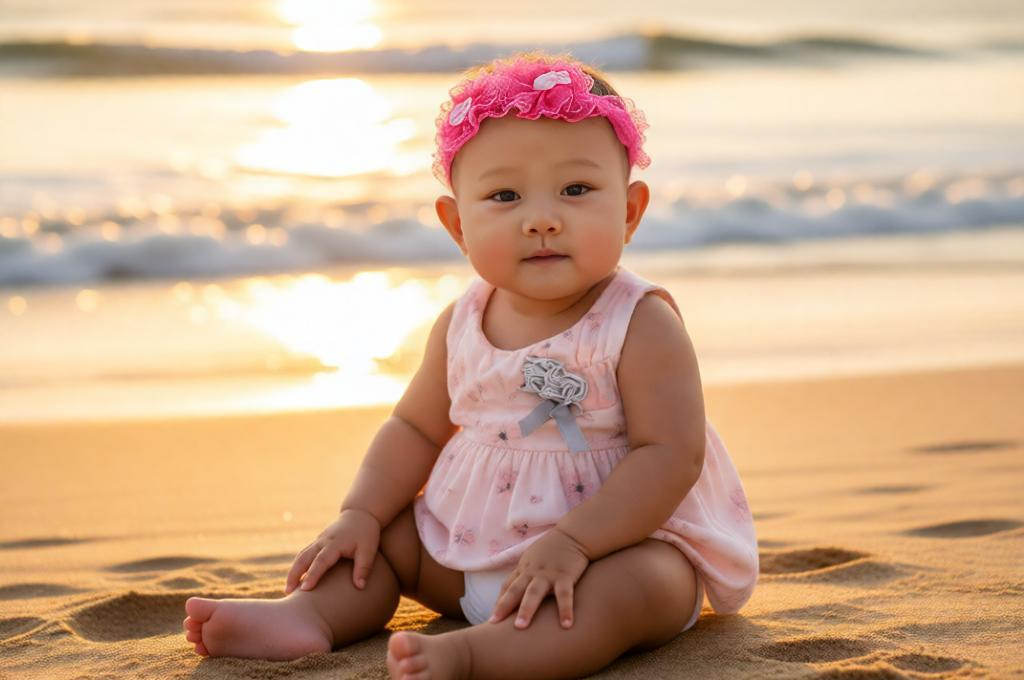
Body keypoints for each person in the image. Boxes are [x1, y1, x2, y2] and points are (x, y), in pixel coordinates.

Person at [183, 49, 759, 679]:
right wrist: (362, 513)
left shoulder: (640, 323)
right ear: (457, 224)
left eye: (576, 189)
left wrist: (573, 543)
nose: (541, 219)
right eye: (504, 195)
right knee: (386, 540)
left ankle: (477, 656)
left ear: (629, 209)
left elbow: (670, 456)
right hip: (460, 550)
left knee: (646, 584)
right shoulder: (461, 322)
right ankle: (310, 616)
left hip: (603, 552)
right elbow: (414, 429)